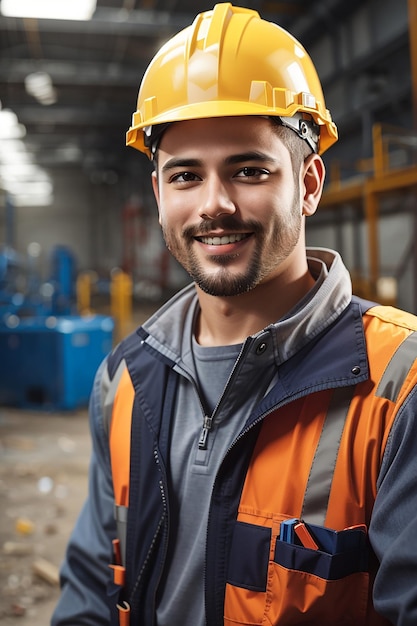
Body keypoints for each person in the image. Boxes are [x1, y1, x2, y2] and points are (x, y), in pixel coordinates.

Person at [52, 3, 417, 625]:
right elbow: (90, 589)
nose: (214, 204)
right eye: (186, 175)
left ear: (308, 184)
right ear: (160, 194)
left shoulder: (399, 386)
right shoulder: (125, 380)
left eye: (249, 170)